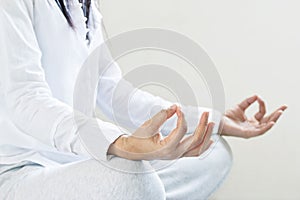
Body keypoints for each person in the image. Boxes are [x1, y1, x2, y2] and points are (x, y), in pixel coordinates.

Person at [0, 0, 287, 199]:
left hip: (77, 165)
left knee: (213, 152)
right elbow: (26, 98)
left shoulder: (84, 6)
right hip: (22, 172)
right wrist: (121, 144)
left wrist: (211, 121)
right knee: (133, 179)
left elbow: (114, 92)